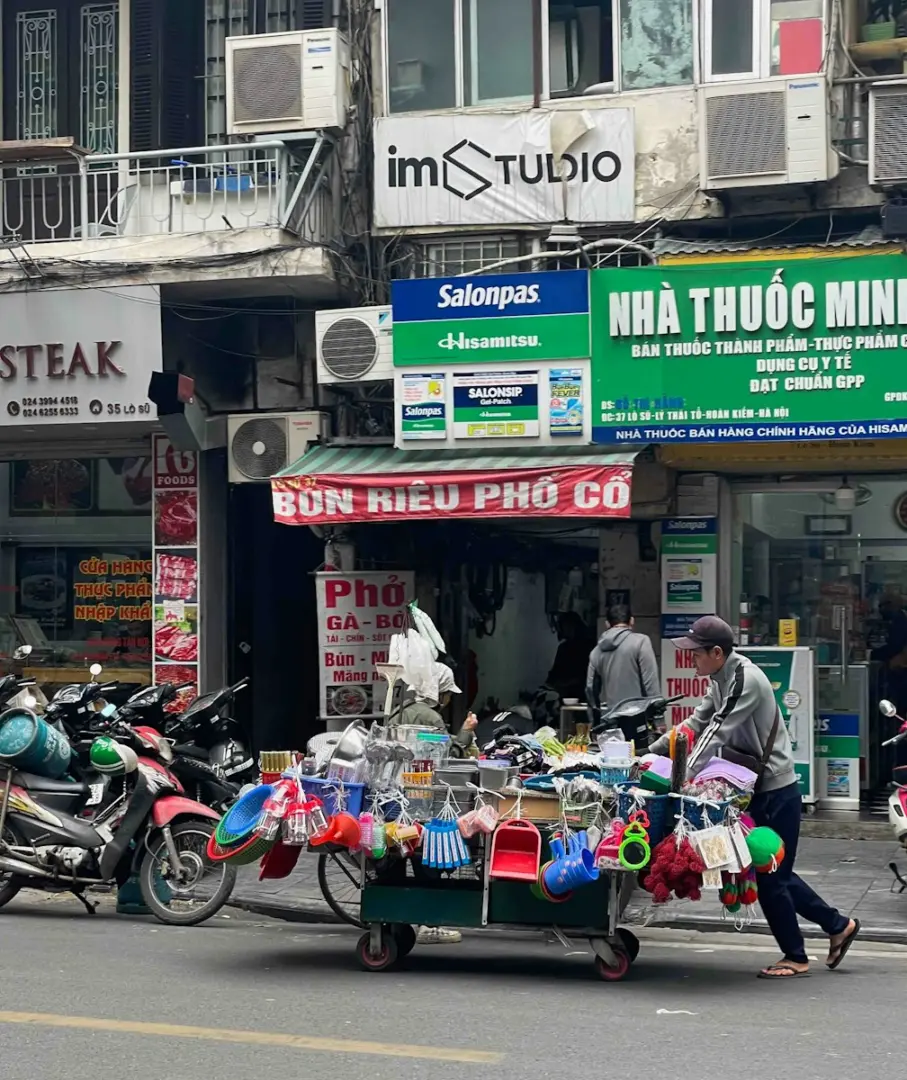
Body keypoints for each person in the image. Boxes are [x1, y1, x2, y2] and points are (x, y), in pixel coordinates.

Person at [649, 615, 859, 980]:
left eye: (696, 654)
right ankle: (838, 925)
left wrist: (681, 779)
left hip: (777, 791)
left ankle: (796, 956)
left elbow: (716, 731)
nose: (691, 661)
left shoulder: (745, 679)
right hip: (753, 789)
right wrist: (649, 755)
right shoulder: (720, 678)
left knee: (772, 875)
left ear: (717, 652)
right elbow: (695, 723)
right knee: (774, 872)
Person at [400, 661, 477, 945]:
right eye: (447, 693)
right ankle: (429, 924)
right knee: (429, 855)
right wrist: (467, 731)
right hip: (422, 793)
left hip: (400, 793)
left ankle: (414, 916)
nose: (448, 699)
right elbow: (447, 754)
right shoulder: (430, 718)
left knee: (412, 855)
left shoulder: (400, 711)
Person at [586, 603, 660, 714]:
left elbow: (591, 688)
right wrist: (658, 718)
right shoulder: (641, 642)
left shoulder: (596, 651)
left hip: (610, 717)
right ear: (632, 621)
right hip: (637, 717)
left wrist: (596, 717)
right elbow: (650, 683)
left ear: (607, 624)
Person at [547, 612, 596, 701]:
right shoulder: (564, 648)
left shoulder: (587, 646)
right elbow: (555, 672)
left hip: (582, 693)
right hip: (565, 693)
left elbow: (587, 674)